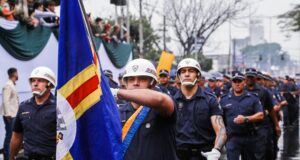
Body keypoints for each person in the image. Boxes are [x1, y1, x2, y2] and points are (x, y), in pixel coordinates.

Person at [113, 59, 177, 160]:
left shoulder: (160, 107)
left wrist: (117, 92)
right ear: (125, 83)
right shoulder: (118, 112)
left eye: (142, 79)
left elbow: (161, 100)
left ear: (152, 83)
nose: (136, 83)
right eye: (131, 79)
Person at [174, 58, 226, 160]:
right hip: (178, 154)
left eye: (191, 71)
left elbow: (221, 129)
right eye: (183, 71)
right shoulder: (171, 101)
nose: (187, 74)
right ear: (178, 76)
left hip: (204, 154)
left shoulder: (210, 100)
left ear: (198, 76)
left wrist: (216, 150)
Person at [10, 66, 56, 160]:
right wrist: (11, 157)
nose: (35, 84)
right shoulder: (23, 106)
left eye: (40, 81)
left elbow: (65, 137)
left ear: (50, 85)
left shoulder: (58, 107)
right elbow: (17, 136)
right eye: (33, 80)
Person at [220, 71, 264, 160]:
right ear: (231, 83)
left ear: (244, 82)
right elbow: (219, 119)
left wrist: (246, 119)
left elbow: (260, 115)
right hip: (232, 138)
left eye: (239, 81)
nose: (237, 84)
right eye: (235, 81)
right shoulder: (224, 99)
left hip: (249, 137)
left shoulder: (253, 98)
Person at [244, 68, 278, 160]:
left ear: (256, 78)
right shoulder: (241, 90)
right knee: (247, 154)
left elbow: (271, 110)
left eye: (252, 77)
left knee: (261, 153)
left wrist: (276, 126)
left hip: (261, 126)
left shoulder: (264, 91)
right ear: (245, 77)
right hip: (245, 127)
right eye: (248, 76)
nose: (250, 79)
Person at [1, 68, 19, 160]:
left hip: (13, 115)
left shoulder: (12, 85)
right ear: (14, 73)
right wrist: (8, 114)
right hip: (10, 116)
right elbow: (5, 100)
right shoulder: (8, 85)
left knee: (12, 136)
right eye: (17, 72)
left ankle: (10, 156)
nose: (18, 74)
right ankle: (7, 157)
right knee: (9, 137)